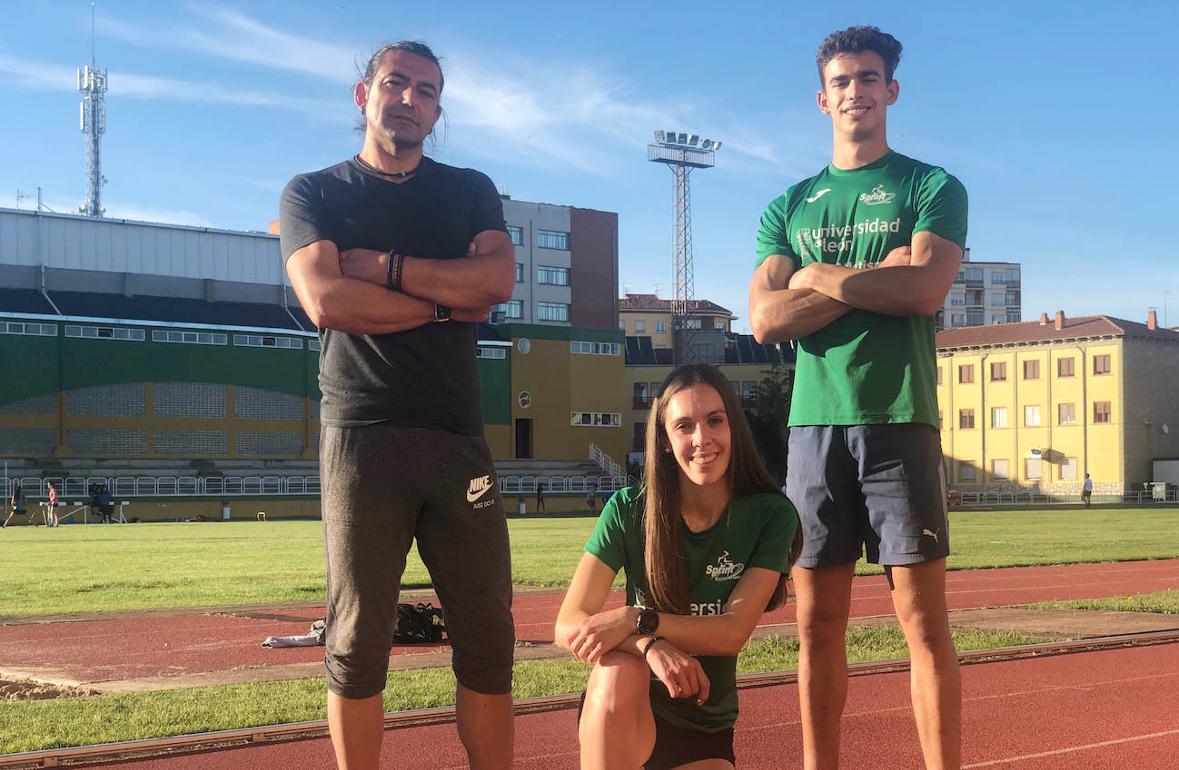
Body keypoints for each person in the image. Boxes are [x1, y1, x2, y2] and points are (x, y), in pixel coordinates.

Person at [280, 40, 516, 770]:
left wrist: (387, 271)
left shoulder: (469, 188)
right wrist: (447, 303)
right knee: (355, 638)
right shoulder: (313, 192)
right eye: (395, 83)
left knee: (488, 636)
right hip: (364, 434)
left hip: (455, 435)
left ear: (437, 109)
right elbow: (326, 300)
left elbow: (498, 282)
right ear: (364, 95)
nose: (409, 98)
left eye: (425, 90)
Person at [748, 26, 968, 770]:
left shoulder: (932, 187)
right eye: (842, 81)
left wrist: (815, 277)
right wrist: (878, 276)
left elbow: (926, 288)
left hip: (901, 420)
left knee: (923, 623)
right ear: (822, 97)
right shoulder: (789, 204)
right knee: (815, 626)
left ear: (891, 91)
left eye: (869, 79)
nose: (856, 91)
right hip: (812, 430)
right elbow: (767, 319)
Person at [556, 364, 800, 770]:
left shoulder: (771, 515)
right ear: (666, 441)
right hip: (628, 713)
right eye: (684, 426)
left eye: (715, 421)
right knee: (619, 671)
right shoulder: (628, 510)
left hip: (702, 725)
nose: (702, 439)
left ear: (733, 427)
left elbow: (730, 634)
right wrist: (647, 644)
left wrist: (638, 619)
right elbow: (568, 624)